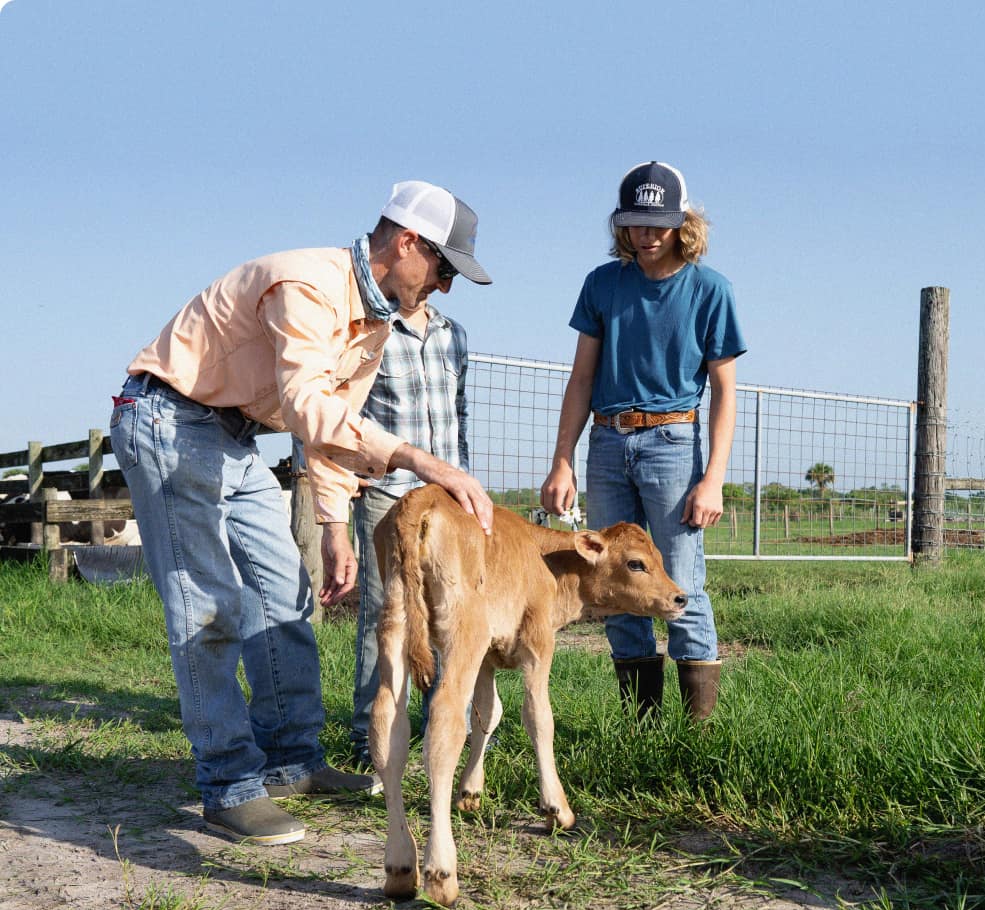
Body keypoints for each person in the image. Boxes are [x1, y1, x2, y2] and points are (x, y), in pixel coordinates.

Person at [109, 180, 493, 845]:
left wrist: (334, 527)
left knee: (283, 590)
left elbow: (328, 431)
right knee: (209, 604)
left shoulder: (372, 324)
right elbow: (310, 404)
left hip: (231, 436)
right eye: (443, 267)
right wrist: (421, 460)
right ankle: (228, 785)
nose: (445, 287)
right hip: (168, 419)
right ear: (406, 243)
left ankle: (289, 761)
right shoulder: (308, 284)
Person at [540, 161, 746, 722]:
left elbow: (726, 392)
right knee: (615, 582)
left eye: (658, 223)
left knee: (681, 583)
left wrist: (714, 479)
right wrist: (563, 461)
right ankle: (643, 727)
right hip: (607, 443)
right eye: (635, 223)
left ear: (683, 222)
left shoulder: (710, 291)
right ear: (620, 225)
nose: (647, 235)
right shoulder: (602, 285)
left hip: (673, 443)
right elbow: (582, 377)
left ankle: (698, 732)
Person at [348, 280, 470, 771]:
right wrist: (345, 471)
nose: (437, 282)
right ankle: (369, 733)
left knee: (448, 610)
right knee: (386, 611)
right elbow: (338, 406)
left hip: (444, 502)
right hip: (387, 493)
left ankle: (445, 724)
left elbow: (460, 414)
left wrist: (465, 484)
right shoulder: (367, 331)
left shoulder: (453, 334)